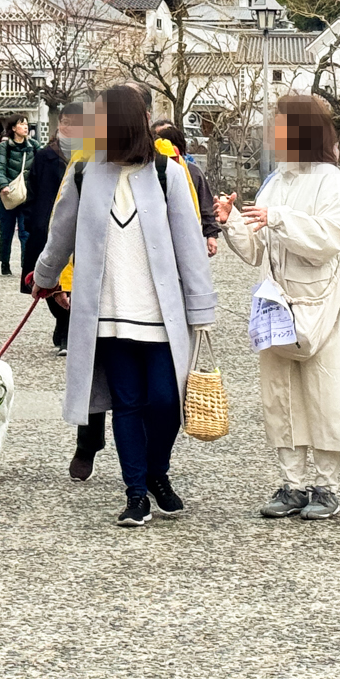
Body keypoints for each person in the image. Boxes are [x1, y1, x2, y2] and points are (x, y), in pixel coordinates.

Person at [34, 84, 217, 528]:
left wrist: (202, 309)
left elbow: (189, 246)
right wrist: (43, 278)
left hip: (160, 314)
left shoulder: (166, 174)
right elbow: (60, 234)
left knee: (166, 401)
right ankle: (136, 491)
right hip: (106, 316)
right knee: (128, 404)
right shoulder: (83, 173)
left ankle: (157, 472)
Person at [219, 94, 340, 520]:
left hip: (328, 300)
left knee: (326, 393)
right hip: (280, 300)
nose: (273, 134)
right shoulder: (276, 181)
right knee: (282, 396)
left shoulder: (331, 180)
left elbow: (329, 242)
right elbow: (257, 251)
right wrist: (233, 221)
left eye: (279, 126)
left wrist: (277, 218)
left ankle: (327, 486)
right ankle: (292, 484)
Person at [21, 107, 78, 363]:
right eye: (65, 123)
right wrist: (33, 220)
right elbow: (31, 188)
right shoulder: (45, 155)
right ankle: (62, 324)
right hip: (46, 224)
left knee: (74, 278)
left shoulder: (92, 158)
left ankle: (68, 331)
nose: (70, 129)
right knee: (46, 280)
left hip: (76, 225)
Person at [152, 118, 220, 256]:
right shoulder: (148, 171)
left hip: (187, 238)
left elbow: (205, 204)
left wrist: (211, 235)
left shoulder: (192, 171)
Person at [0, 116, 38, 276]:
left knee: (26, 232)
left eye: (26, 124)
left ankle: (26, 266)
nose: (25, 127)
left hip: (27, 196)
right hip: (8, 196)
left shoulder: (34, 146)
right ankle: (4, 262)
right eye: (21, 124)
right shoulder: (4, 147)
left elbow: (41, 166)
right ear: (13, 128)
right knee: (6, 231)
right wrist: (3, 184)